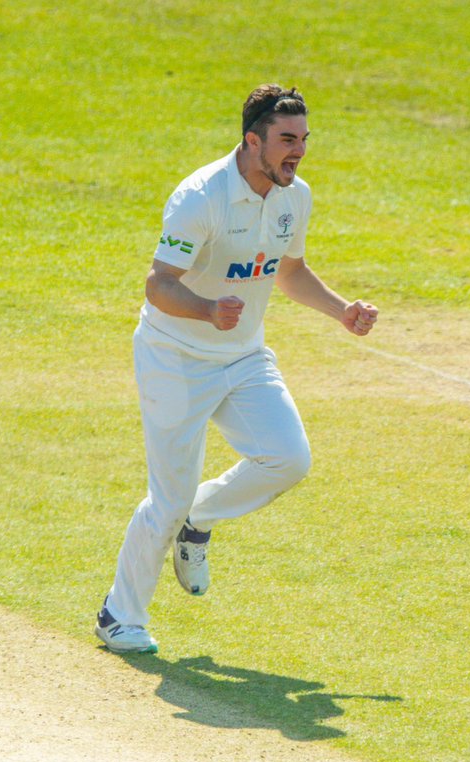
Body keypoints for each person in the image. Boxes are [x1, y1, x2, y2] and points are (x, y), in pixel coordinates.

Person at [95, 84, 378, 654]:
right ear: (253, 141)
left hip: (244, 356)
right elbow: (158, 285)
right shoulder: (201, 196)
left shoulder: (293, 196)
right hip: (174, 357)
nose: (296, 152)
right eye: (285, 140)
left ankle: (199, 518)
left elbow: (289, 271)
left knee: (288, 458)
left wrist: (340, 310)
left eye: (302, 140)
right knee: (165, 499)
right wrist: (205, 310)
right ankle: (118, 617)